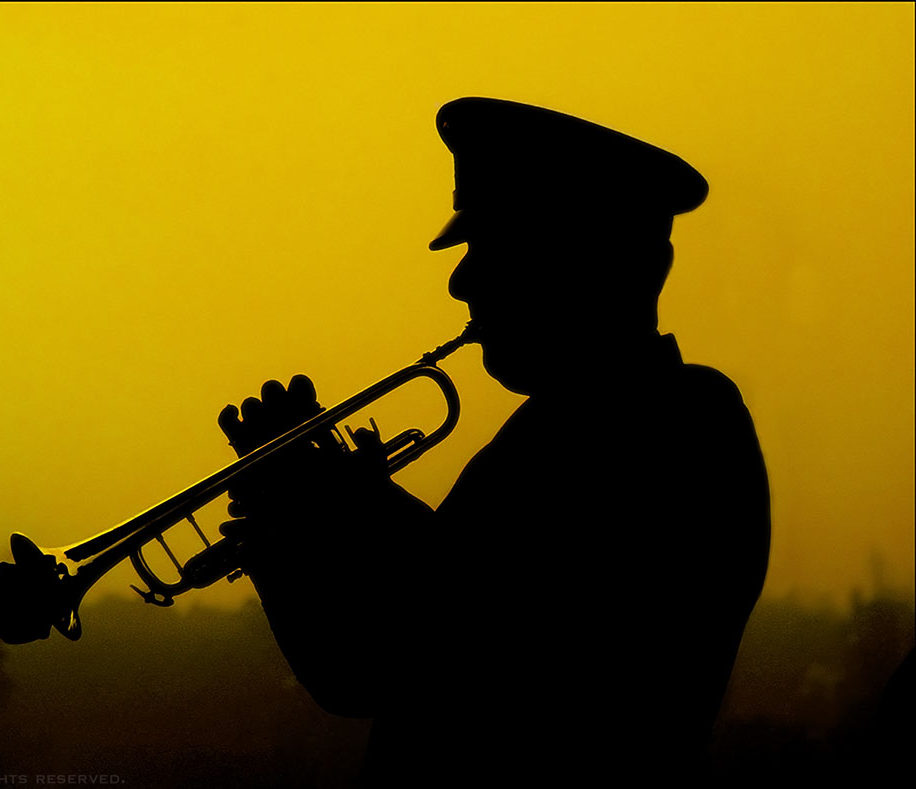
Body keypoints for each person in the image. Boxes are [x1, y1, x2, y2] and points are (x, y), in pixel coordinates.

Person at [217, 97, 771, 784]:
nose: (461, 281)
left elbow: (446, 652)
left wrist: (344, 512)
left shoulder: (680, 426)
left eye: (493, 248)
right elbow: (353, 668)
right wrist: (288, 537)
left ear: (584, 259)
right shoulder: (556, 431)